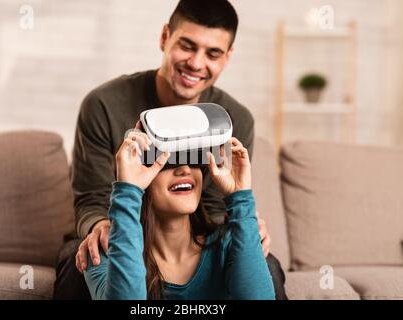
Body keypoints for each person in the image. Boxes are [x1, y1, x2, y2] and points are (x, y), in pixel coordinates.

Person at [53, 0, 287, 299]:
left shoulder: (233, 118)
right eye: (187, 46)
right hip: (120, 223)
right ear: (165, 37)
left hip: (191, 237)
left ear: (227, 57)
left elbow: (214, 209)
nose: (196, 63)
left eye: (213, 53)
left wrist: (244, 228)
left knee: (265, 263)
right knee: (86, 256)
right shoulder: (103, 104)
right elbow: (92, 198)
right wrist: (102, 225)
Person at [84, 129, 275, 300]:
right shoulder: (103, 253)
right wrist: (128, 191)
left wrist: (240, 197)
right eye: (166, 161)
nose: (184, 169)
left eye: (193, 160)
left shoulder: (229, 244)